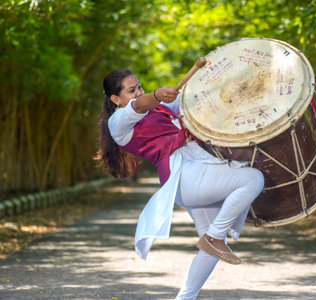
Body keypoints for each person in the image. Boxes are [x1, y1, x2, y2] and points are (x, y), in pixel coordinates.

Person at [97, 69, 265, 299]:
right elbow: (138, 106)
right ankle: (214, 238)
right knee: (253, 179)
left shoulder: (161, 108)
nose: (139, 92)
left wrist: (228, 80)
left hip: (198, 170)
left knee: (213, 249)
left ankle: (185, 296)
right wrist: (156, 94)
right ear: (116, 99)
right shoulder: (118, 121)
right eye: (132, 90)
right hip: (184, 176)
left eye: (140, 86)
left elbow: (191, 97)